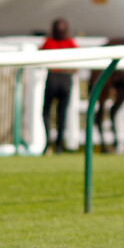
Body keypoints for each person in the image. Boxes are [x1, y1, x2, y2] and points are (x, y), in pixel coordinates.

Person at [41, 18, 78, 154]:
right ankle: (58, 146)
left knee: (46, 111)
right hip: (65, 79)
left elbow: (40, 56)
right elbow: (77, 64)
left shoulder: (49, 42)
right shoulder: (70, 43)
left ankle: (49, 143)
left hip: (53, 79)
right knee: (61, 114)